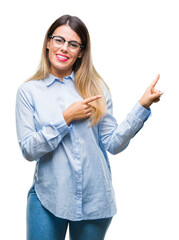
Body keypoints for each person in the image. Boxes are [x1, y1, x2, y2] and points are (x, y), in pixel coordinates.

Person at [15, 15, 162, 240]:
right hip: (48, 197)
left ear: (81, 51)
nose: (64, 48)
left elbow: (112, 144)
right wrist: (65, 119)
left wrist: (141, 107)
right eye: (59, 40)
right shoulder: (29, 92)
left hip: (95, 199)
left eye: (73, 44)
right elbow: (28, 150)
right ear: (48, 42)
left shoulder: (96, 87)